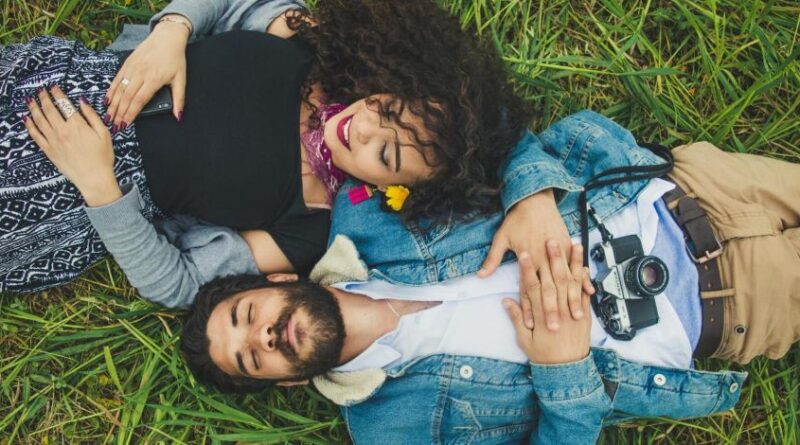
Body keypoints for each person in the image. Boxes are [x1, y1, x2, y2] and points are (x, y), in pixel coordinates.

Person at [180, 114, 800, 442]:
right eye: (252, 359)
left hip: (691, 189)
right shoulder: (393, 431)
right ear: (286, 381)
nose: (263, 336)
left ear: (277, 280)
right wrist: (562, 369)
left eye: (246, 316)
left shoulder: (365, 211)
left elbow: (482, 121)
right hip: (739, 306)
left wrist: (530, 197)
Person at [1, 0, 570, 310]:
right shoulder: (311, 48)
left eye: (387, 154)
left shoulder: (309, 227)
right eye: (389, 109)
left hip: (54, 199)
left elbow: (177, 285)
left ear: (397, 190)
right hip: (56, 86)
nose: (363, 128)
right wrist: (172, 30)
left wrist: (100, 187)